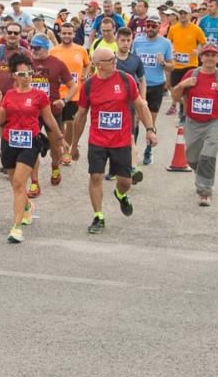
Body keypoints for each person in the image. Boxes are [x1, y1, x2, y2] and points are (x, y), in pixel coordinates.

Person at [71, 48, 158, 234]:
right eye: (112, 59)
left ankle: (120, 194)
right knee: (95, 177)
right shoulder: (88, 86)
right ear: (99, 65)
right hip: (98, 140)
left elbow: (141, 106)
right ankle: (98, 216)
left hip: (121, 141)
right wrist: (74, 145)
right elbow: (80, 117)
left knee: (125, 182)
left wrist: (150, 130)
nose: (116, 61)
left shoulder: (126, 80)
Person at [0, 54, 61, 244]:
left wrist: (60, 138)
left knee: (18, 182)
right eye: (22, 74)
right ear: (14, 75)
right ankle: (27, 206)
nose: (27, 76)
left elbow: (48, 119)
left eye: (29, 73)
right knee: (15, 183)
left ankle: (16, 228)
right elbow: (0, 121)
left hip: (30, 142)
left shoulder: (39, 95)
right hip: (9, 141)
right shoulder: (9, 95)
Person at [171, 44, 218, 206]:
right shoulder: (191, 74)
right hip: (193, 123)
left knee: (208, 156)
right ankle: (202, 174)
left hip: (213, 123)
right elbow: (175, 95)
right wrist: (182, 85)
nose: (209, 58)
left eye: (213, 55)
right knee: (192, 159)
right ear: (201, 58)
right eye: (206, 55)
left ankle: (205, 192)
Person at [27, 34, 75, 195]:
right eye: (31, 47)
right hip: (32, 112)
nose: (33, 51)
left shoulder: (58, 64)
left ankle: (55, 166)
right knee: (31, 147)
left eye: (37, 48)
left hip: (53, 111)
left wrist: (65, 100)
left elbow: (73, 86)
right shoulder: (27, 62)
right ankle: (34, 182)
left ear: (46, 48)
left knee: (56, 146)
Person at [131, 15, 174, 165]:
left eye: (153, 26)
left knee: (150, 121)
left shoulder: (165, 43)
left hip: (155, 85)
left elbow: (171, 66)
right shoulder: (137, 41)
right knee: (135, 119)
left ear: (158, 27)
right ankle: (132, 151)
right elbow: (132, 60)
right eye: (147, 26)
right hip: (138, 85)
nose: (149, 29)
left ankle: (149, 150)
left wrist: (163, 63)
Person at [51, 22, 92, 166]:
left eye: (70, 33)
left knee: (71, 123)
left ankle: (67, 150)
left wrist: (85, 75)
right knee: (59, 124)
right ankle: (60, 148)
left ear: (74, 34)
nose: (67, 36)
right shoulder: (54, 51)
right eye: (64, 33)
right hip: (58, 94)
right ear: (60, 34)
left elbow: (88, 64)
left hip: (74, 93)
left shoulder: (81, 50)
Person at [115, 27, 147, 183]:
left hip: (130, 104)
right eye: (123, 40)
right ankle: (115, 168)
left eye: (128, 40)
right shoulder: (111, 60)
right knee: (114, 138)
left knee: (130, 136)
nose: (126, 43)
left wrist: (143, 100)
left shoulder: (136, 60)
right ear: (117, 40)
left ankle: (133, 168)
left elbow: (142, 80)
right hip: (112, 106)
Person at [166, 7, 207, 120]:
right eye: (181, 13)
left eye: (185, 13)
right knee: (174, 89)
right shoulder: (173, 29)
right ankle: (184, 106)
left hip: (191, 64)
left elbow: (204, 44)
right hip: (177, 64)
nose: (183, 15)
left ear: (190, 15)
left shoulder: (196, 29)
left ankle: (184, 113)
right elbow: (168, 43)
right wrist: (171, 51)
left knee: (187, 90)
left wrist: (198, 51)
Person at [0, 24, 34, 95]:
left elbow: (32, 74)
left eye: (16, 33)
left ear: (20, 36)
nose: (12, 35)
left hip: (18, 96)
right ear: (6, 34)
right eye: (10, 32)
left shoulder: (26, 53)